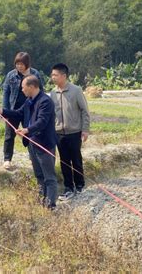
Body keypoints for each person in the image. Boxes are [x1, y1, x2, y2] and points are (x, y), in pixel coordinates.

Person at [0, 75, 58, 209]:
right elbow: (18, 113)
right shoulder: (29, 101)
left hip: (44, 144)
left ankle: (50, 205)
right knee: (39, 175)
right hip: (32, 144)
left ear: (32, 87)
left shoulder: (45, 102)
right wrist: (1, 111)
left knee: (49, 177)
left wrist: (27, 130)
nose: (22, 90)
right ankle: (42, 202)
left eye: (23, 87)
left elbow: (42, 122)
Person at [50, 63, 90, 201]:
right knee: (64, 161)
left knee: (76, 159)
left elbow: (85, 111)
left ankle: (80, 185)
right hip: (59, 133)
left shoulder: (76, 90)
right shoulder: (53, 93)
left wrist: (85, 129)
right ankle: (68, 187)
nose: (52, 77)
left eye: (55, 75)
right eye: (52, 75)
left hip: (74, 132)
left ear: (63, 76)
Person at [2, 52, 44, 170]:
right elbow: (6, 93)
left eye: (21, 64)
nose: (19, 66)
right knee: (9, 135)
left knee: (30, 134)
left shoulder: (35, 74)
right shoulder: (11, 75)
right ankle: (7, 159)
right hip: (14, 109)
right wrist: (5, 111)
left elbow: (40, 91)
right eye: (17, 64)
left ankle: (33, 158)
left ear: (27, 64)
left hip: (30, 110)